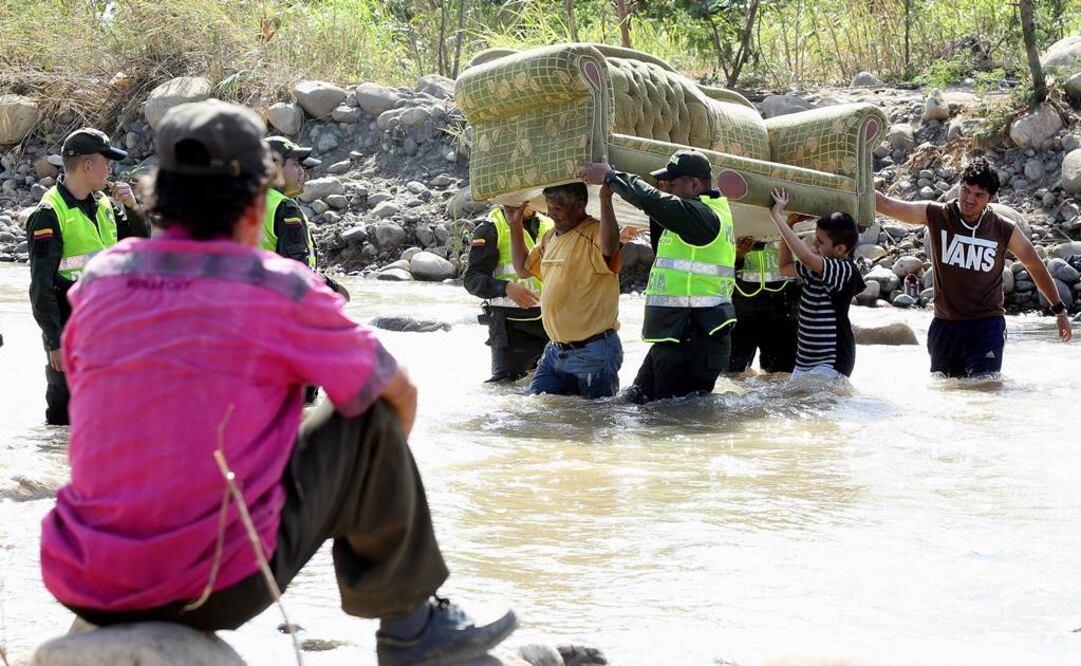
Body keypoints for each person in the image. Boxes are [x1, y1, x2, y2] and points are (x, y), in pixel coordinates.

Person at [38, 101, 516, 666]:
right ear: (256, 200)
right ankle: (411, 623)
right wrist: (339, 481)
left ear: (156, 194)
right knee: (369, 414)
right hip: (212, 587)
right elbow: (398, 393)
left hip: (82, 574)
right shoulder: (275, 287)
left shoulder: (99, 280)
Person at [875, 158, 1071, 377]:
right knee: (946, 393)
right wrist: (854, 183)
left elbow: (1034, 265)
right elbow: (887, 205)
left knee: (984, 389)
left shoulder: (1003, 228)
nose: (969, 199)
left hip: (986, 326)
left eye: (979, 195)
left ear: (991, 198)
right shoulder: (938, 215)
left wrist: (1059, 311)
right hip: (945, 325)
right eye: (966, 191)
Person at [578, 150, 736, 403]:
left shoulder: (703, 216)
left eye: (671, 184)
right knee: (632, 403)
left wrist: (610, 176)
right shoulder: (691, 217)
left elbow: (655, 202)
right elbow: (658, 211)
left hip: (693, 339)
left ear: (695, 184)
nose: (666, 188)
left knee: (667, 423)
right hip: (675, 335)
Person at [26, 127, 148, 425]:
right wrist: (54, 341)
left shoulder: (105, 203)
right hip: (69, 329)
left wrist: (132, 208)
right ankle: (52, 470)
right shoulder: (49, 213)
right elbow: (40, 286)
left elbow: (141, 245)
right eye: (107, 161)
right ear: (87, 165)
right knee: (65, 417)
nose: (111, 168)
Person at [506, 182, 622, 399]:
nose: (552, 214)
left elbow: (610, 248)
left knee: (597, 420)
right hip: (555, 352)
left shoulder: (594, 233)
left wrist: (606, 200)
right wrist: (515, 225)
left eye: (557, 208)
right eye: (549, 208)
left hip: (594, 351)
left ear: (581, 205)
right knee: (532, 409)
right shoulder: (550, 237)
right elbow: (522, 269)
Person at [770, 189, 865, 380]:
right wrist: (788, 225)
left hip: (831, 363)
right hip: (804, 363)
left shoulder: (844, 270)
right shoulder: (815, 269)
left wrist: (778, 217)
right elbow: (784, 267)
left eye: (820, 242)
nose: (815, 244)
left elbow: (805, 257)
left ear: (840, 249)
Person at [463, 204, 554, 382]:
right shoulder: (491, 227)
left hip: (551, 324)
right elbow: (472, 279)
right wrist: (505, 288)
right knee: (505, 385)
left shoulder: (550, 224)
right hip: (510, 327)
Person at [265, 136, 349, 300]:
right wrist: (331, 288)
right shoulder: (284, 207)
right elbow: (297, 269)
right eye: (295, 165)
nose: (305, 175)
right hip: (278, 304)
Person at [728, 236, 800, 374]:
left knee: (783, 374)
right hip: (741, 300)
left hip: (784, 301)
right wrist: (737, 255)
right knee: (732, 373)